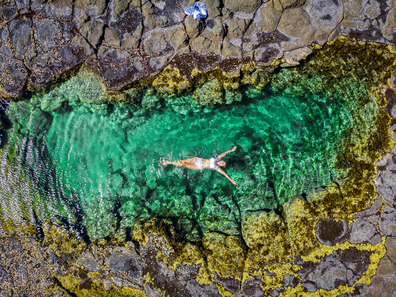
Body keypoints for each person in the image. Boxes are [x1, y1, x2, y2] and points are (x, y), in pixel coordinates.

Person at [163, 146, 237, 185]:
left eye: (222, 164)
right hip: (198, 160)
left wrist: (231, 180)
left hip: (198, 167)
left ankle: (168, 162)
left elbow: (224, 174)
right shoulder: (217, 158)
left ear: (221, 166)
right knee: (183, 161)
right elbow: (224, 153)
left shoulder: (216, 168)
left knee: (183, 164)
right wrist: (232, 150)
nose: (221, 163)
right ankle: (168, 162)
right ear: (221, 160)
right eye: (222, 162)